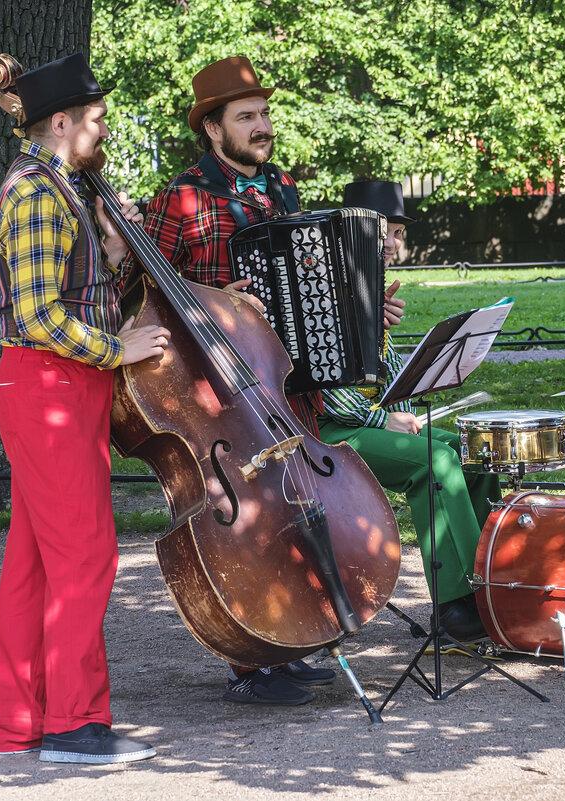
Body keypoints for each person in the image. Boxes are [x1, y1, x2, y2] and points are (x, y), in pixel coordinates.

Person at [137, 56, 343, 706]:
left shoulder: (283, 190)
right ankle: (249, 661)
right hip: (221, 397)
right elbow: (142, 293)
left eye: (264, 113)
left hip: (286, 387)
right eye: (247, 116)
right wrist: (212, 299)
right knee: (246, 526)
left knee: (299, 513)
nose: (263, 125)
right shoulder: (182, 196)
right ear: (213, 129)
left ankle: (293, 641)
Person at [0, 53, 170, 764]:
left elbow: (78, 296)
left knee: (35, 562)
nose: (103, 131)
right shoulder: (35, 192)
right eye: (95, 120)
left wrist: (119, 253)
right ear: (60, 121)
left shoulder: (59, 188)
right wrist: (116, 351)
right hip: (47, 387)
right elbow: (34, 315)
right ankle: (74, 724)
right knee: (85, 555)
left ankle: (20, 723)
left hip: (62, 387)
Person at [318, 180, 500, 641]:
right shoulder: (322, 289)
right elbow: (322, 385)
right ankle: (458, 602)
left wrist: (402, 404)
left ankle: (489, 582)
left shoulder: (368, 289)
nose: (396, 245)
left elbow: (384, 372)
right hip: (324, 430)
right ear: (357, 235)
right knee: (435, 461)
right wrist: (385, 419)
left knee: (468, 448)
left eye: (399, 234)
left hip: (361, 421)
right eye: (387, 234)